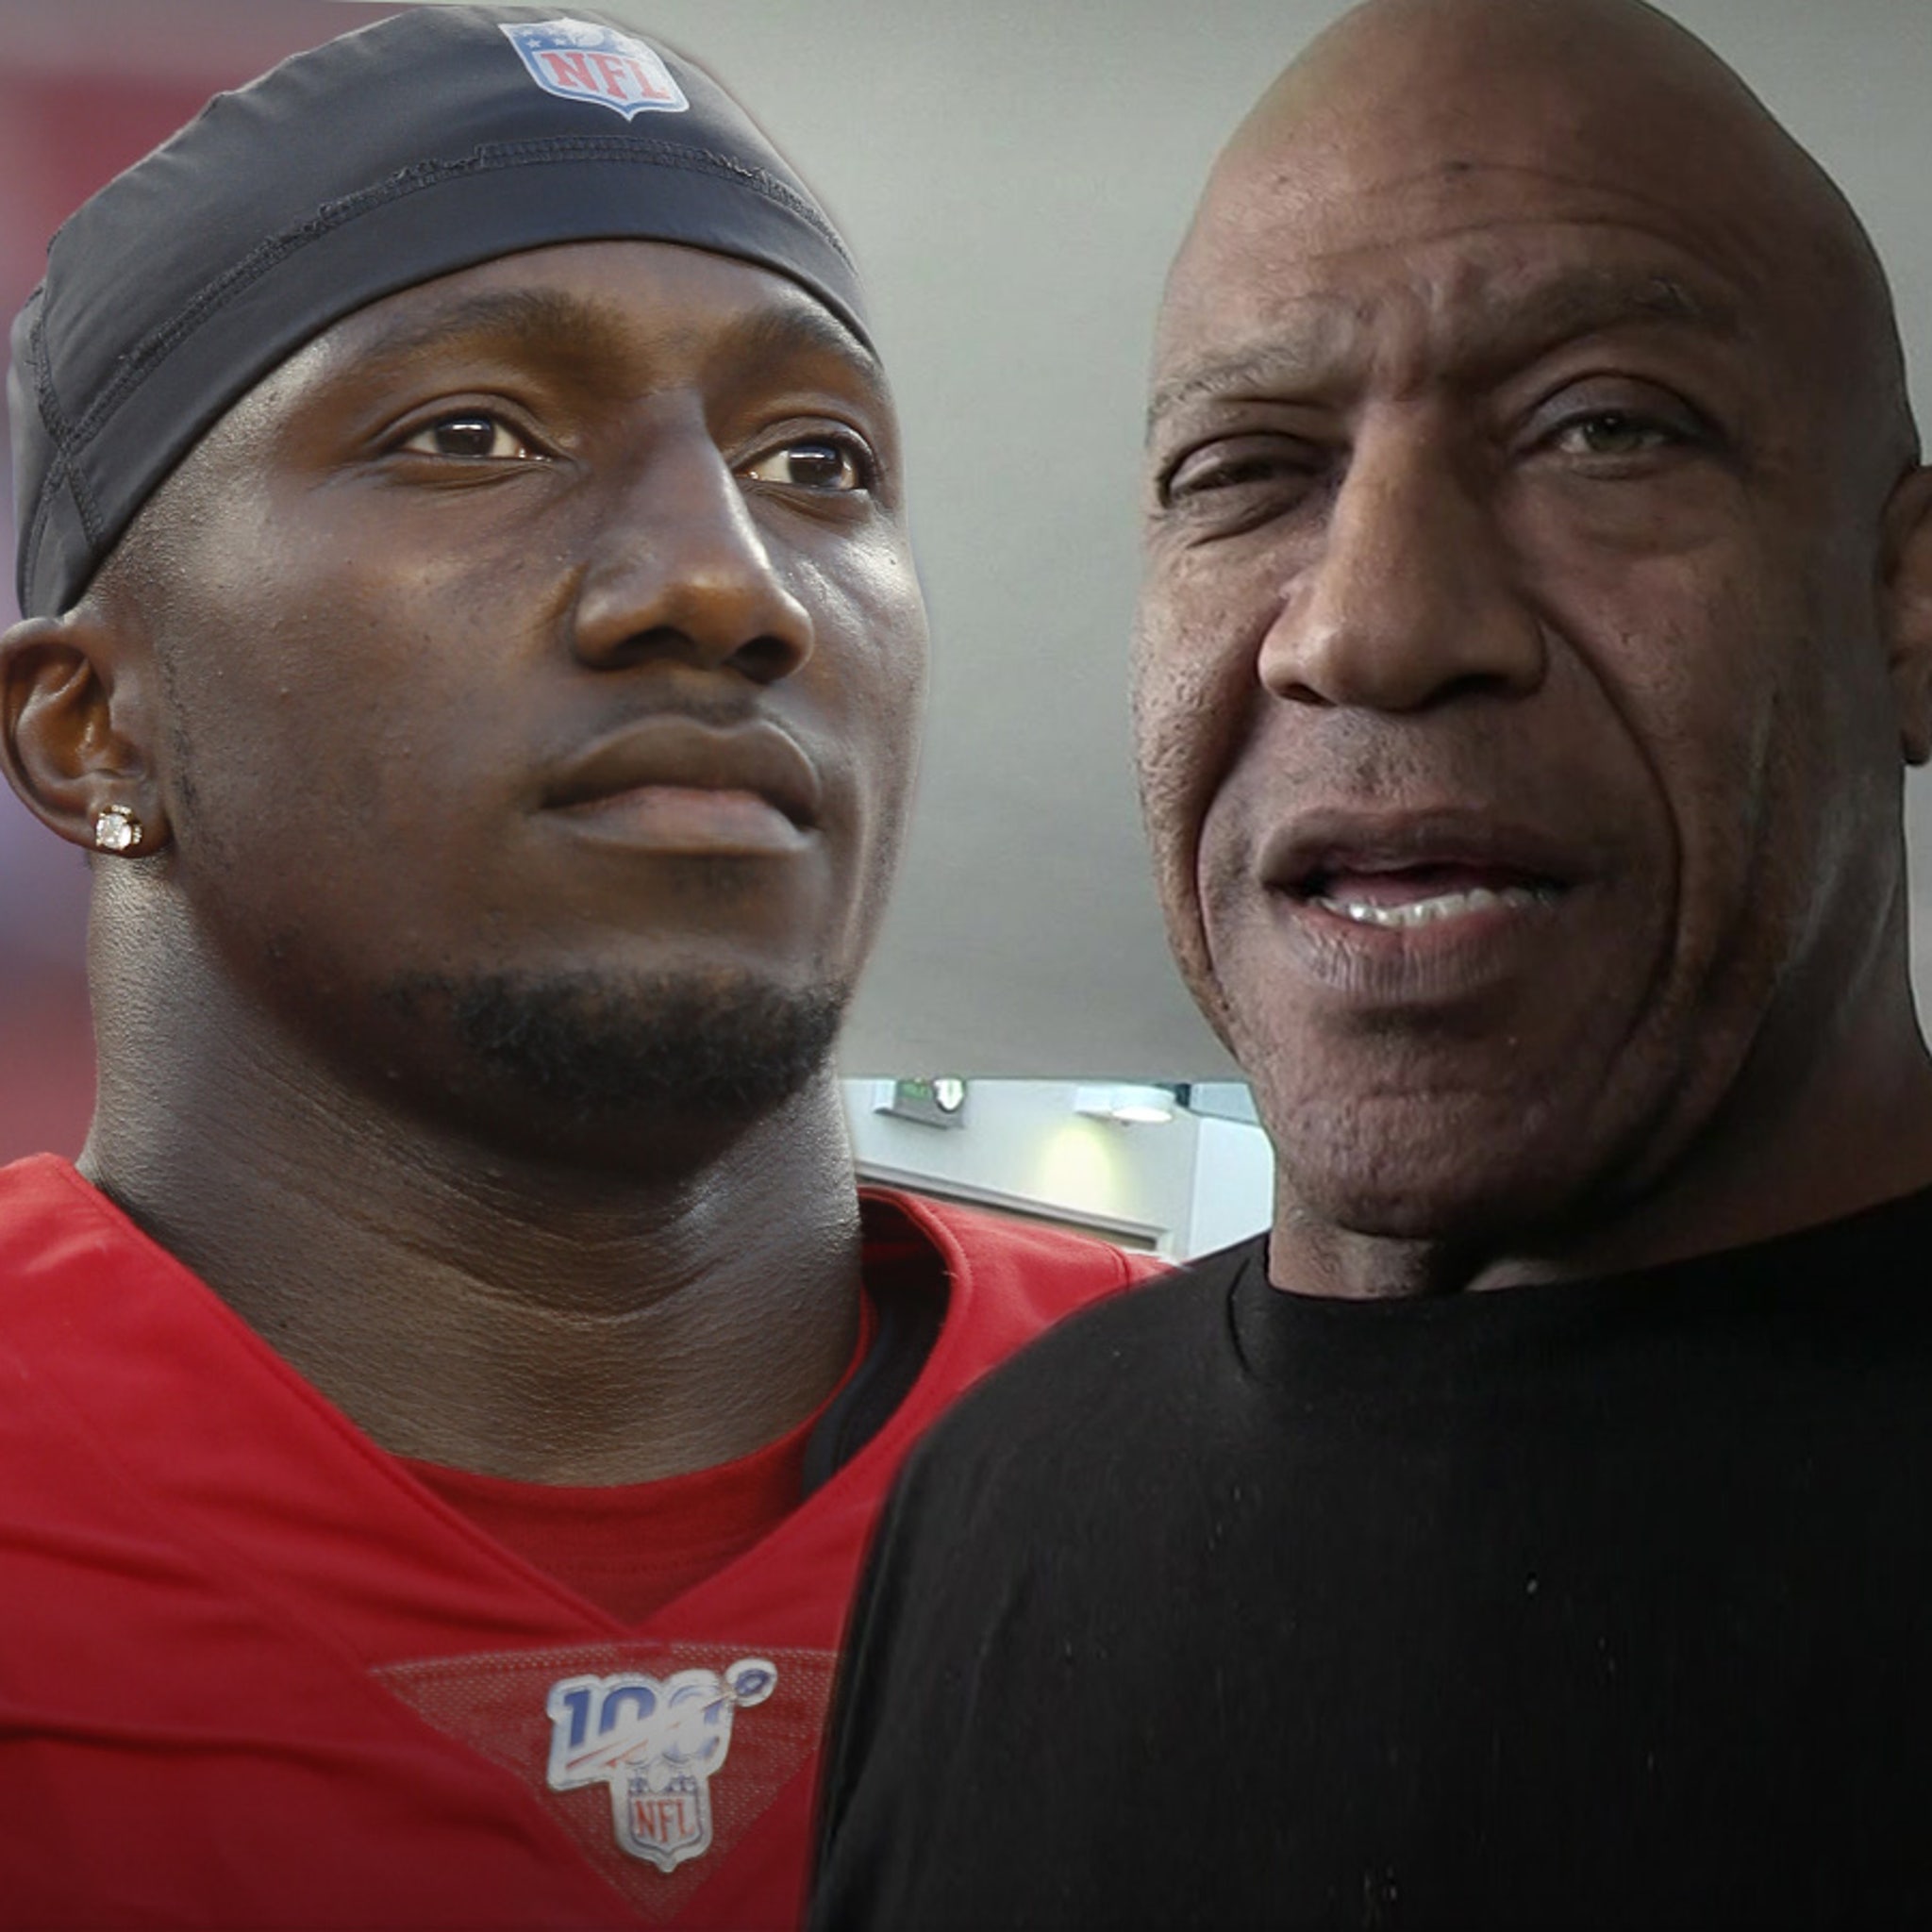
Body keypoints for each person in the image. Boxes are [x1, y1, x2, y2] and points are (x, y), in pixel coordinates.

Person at [0, 9, 1150, 1928]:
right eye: (471, 435)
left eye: (818, 459)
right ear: (93, 730)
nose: (727, 580)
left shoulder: (1255, 1470)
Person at [810, 0, 1932, 1924]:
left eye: (1602, 428)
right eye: (1244, 468)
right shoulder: (985, 1503)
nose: (1370, 624)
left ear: (1902, 611)